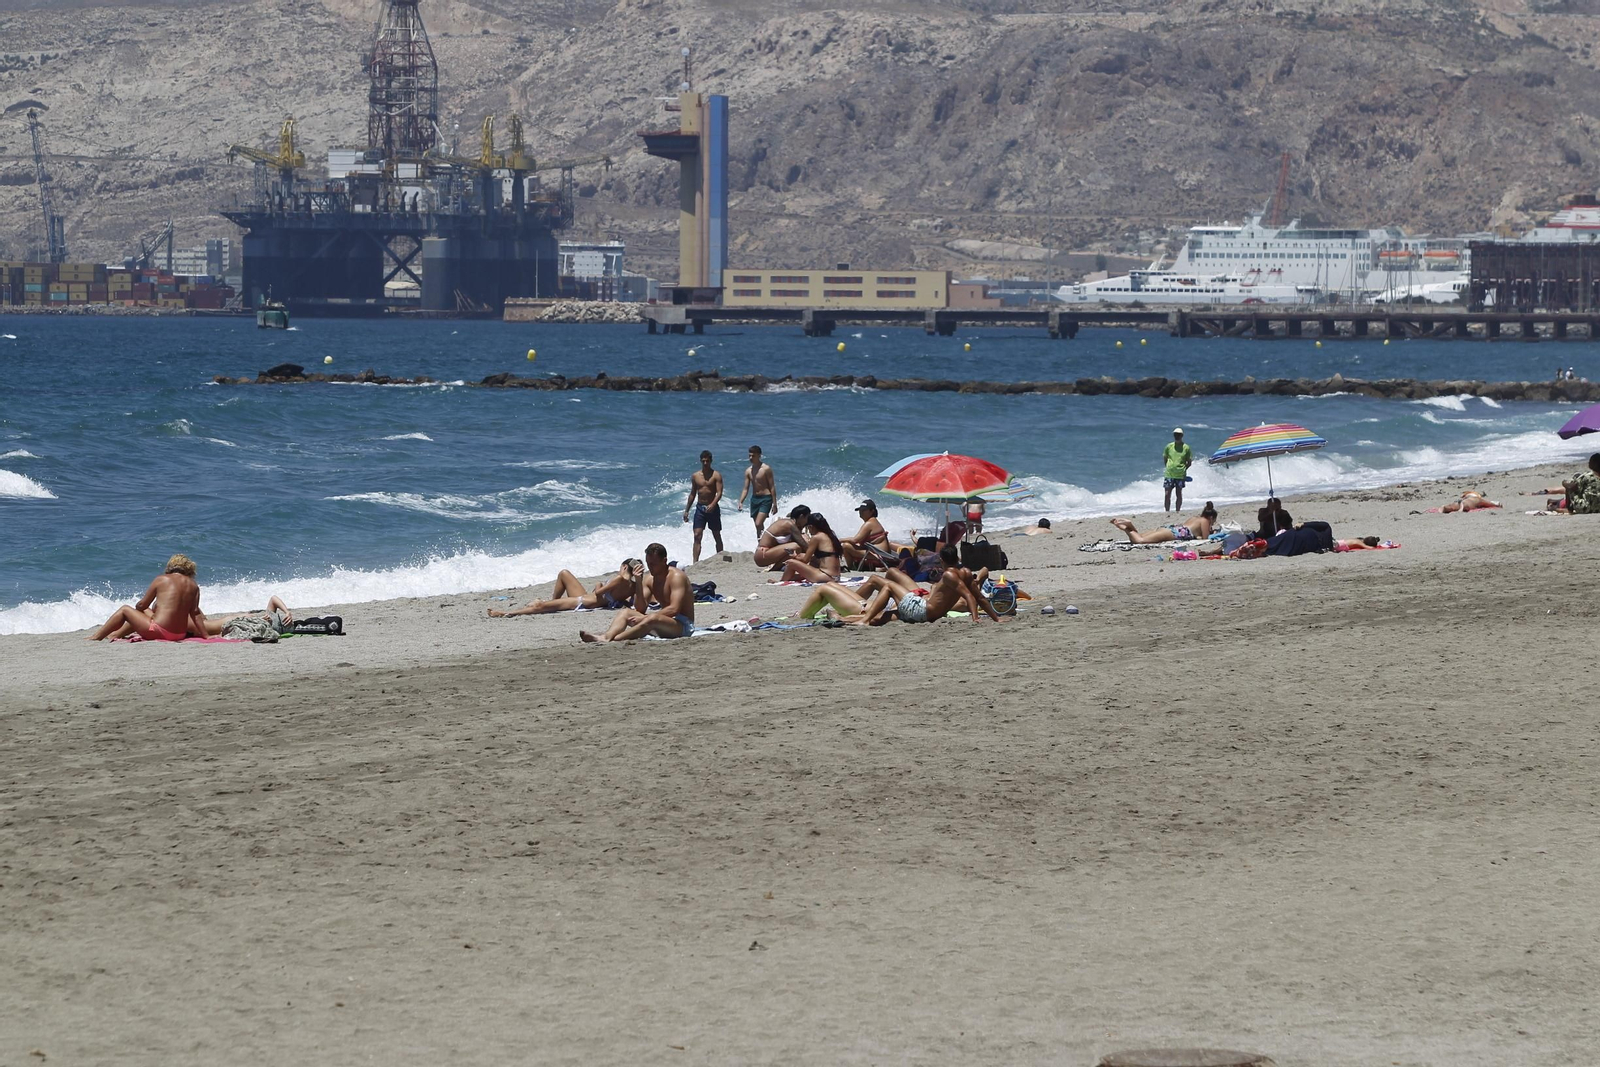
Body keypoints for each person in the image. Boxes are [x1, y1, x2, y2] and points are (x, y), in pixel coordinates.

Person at [580, 543, 694, 642]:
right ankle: (606, 636)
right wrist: (639, 581)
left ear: (664, 561)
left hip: (683, 625)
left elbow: (674, 609)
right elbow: (640, 609)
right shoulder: (650, 579)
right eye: (648, 564)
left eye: (654, 564)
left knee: (652, 618)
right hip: (663, 622)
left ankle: (616, 639)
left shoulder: (676, 577)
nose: (651, 568)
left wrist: (645, 619)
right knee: (625, 612)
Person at [89, 553, 206, 642]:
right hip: (179, 634)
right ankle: (115, 634)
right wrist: (206, 635)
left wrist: (138, 609)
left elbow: (142, 605)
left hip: (161, 632)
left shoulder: (161, 579)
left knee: (125, 610)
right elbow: (195, 613)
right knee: (148, 613)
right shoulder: (193, 585)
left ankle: (96, 637)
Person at [489, 560, 645, 617]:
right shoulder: (633, 586)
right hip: (587, 599)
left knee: (539, 607)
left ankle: (506, 613)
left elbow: (598, 593)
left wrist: (599, 584)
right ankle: (552, 602)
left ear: (624, 566)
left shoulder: (619, 579)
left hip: (583, 601)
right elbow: (634, 604)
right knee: (564, 574)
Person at [682, 450, 724, 563]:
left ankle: (720, 559)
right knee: (697, 535)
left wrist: (713, 504)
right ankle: (695, 562)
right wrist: (686, 510)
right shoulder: (695, 476)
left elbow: (719, 493)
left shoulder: (716, 475)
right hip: (700, 508)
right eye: (703, 461)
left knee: (716, 534)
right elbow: (692, 494)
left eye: (707, 461)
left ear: (711, 461)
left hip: (713, 509)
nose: (705, 463)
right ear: (700, 461)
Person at [777, 512, 844, 583]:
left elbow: (805, 560)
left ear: (811, 526)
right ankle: (789, 578)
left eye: (807, 528)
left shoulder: (816, 537)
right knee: (809, 559)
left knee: (790, 563)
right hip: (836, 577)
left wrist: (794, 556)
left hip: (826, 576)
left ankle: (781, 582)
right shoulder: (830, 535)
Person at [1110, 501, 1218, 544]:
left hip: (1171, 528)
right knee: (1140, 541)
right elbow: (1205, 538)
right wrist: (1210, 532)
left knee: (1139, 536)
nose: (1212, 524)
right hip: (1175, 533)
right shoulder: (1205, 520)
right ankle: (1127, 526)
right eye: (1213, 521)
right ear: (1211, 517)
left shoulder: (1195, 518)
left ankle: (1126, 527)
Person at [838, 498, 893, 568]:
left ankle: (851, 567)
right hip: (882, 556)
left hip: (880, 558)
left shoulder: (870, 523)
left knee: (846, 546)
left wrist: (839, 540)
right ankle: (852, 566)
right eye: (860, 510)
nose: (861, 512)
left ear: (872, 511)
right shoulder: (873, 522)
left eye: (864, 510)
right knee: (849, 545)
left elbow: (855, 540)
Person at [736, 445, 777, 536]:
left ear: (759, 455)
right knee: (758, 526)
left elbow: (772, 486)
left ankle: (768, 538)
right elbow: (745, 488)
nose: (750, 458)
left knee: (758, 523)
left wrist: (774, 504)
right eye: (749, 455)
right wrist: (741, 501)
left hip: (766, 498)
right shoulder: (748, 471)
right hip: (754, 499)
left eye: (753, 456)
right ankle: (761, 543)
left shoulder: (766, 469)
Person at [1162, 428, 1194, 513]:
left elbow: (1189, 462)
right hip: (1169, 474)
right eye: (1175, 434)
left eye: (1179, 434)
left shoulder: (1186, 448)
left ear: (1182, 436)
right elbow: (1165, 458)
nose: (1177, 436)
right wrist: (1169, 467)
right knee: (1167, 494)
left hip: (1180, 475)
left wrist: (1183, 469)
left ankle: (1177, 511)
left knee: (1178, 494)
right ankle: (1167, 511)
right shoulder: (1169, 446)